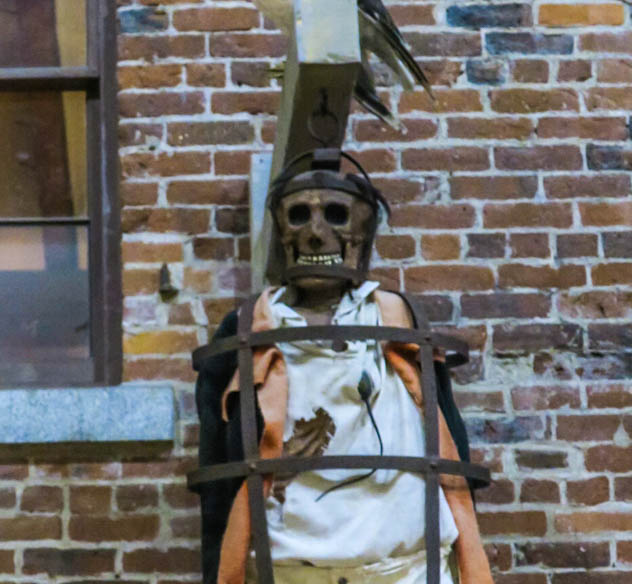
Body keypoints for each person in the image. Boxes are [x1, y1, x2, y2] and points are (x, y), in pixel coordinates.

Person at [194, 150, 493, 584]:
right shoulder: (250, 327)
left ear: (363, 231)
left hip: (404, 569)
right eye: (299, 217)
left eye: (335, 216)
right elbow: (218, 465)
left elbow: (447, 439)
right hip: (287, 569)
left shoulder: (394, 319)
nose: (316, 235)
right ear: (281, 230)